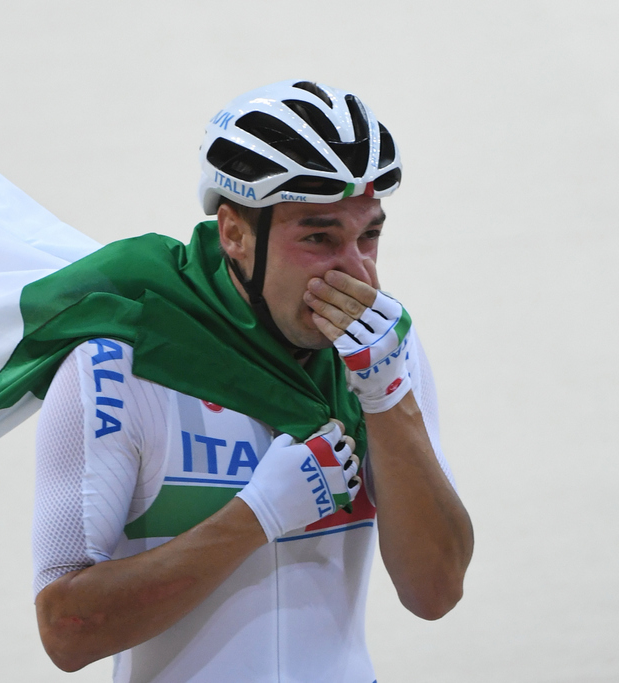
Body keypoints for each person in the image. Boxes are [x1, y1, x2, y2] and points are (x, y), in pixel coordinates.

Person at [30, 80, 474, 682]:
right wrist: (257, 514)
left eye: (369, 235)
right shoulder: (121, 362)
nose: (356, 271)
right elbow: (66, 633)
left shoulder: (385, 352)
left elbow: (436, 591)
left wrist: (388, 396)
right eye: (319, 237)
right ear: (235, 233)